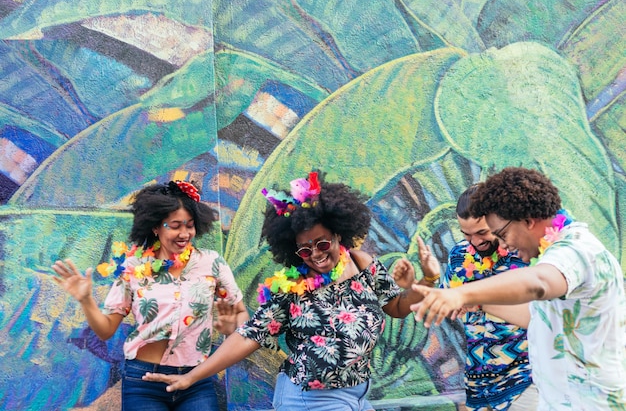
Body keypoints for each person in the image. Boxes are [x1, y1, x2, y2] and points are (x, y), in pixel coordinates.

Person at [143, 171, 430, 411]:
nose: (315, 254)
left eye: (322, 243)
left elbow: (397, 307)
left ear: (338, 234)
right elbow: (250, 337)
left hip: (357, 395)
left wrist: (425, 281)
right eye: (304, 249)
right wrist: (191, 377)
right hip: (311, 400)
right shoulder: (291, 288)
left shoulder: (361, 262)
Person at [411, 167, 626, 410]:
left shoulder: (575, 250)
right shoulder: (560, 251)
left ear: (527, 221)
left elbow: (539, 283)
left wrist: (462, 292)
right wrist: (476, 302)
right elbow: (535, 315)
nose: (504, 244)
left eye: (502, 234)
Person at [52, 180, 249, 411]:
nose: (184, 233)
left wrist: (230, 328)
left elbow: (242, 316)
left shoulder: (212, 262)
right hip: (143, 381)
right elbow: (105, 330)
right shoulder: (133, 266)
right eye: (175, 226)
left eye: (190, 225)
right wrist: (85, 300)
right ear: (156, 227)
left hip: (196, 380)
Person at [393, 184, 537, 411]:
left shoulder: (524, 255)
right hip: (479, 384)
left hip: (525, 380)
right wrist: (419, 283)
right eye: (467, 234)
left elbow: (536, 316)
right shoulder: (460, 255)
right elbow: (444, 306)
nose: (476, 242)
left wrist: (474, 300)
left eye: (482, 233)